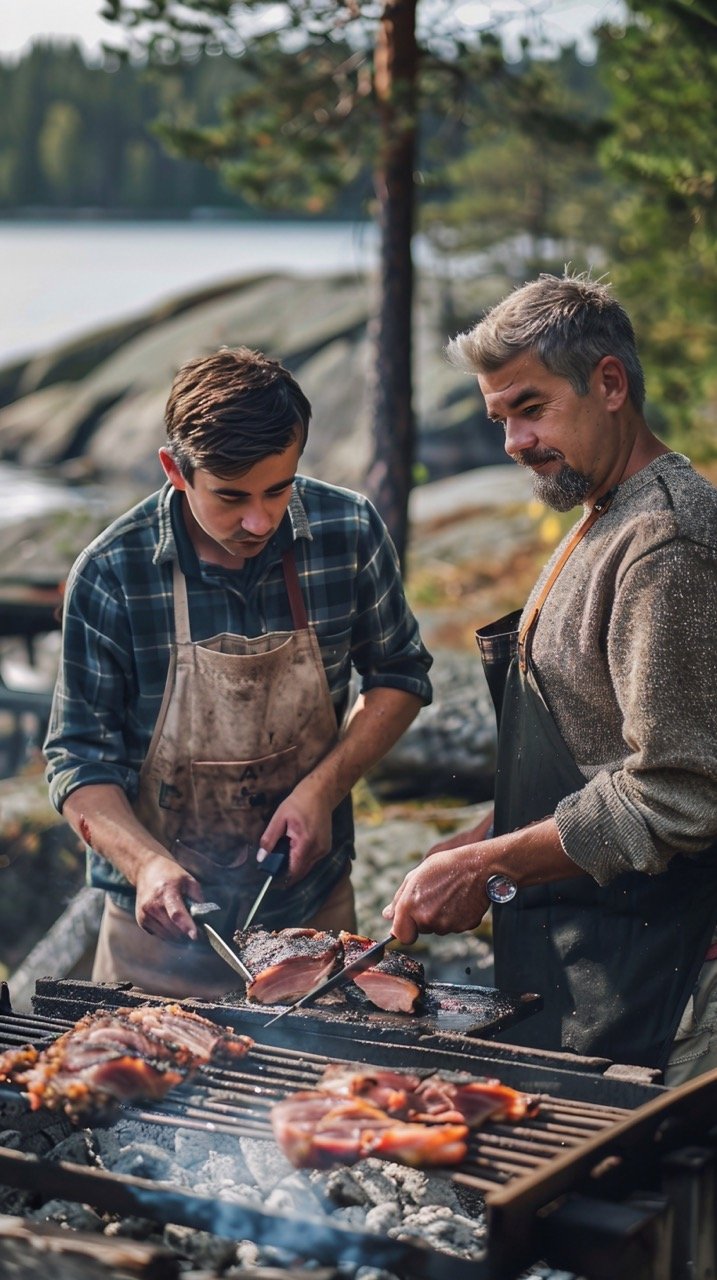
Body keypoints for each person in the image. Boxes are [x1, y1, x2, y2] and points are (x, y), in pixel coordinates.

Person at [384, 272, 717, 1083]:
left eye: (530, 409)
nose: (513, 444)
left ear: (608, 383)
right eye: (499, 418)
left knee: (639, 1200)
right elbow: (596, 744)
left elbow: (679, 792)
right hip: (601, 946)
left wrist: (487, 867)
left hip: (663, 977)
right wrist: (486, 836)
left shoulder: (663, 543)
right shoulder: (605, 511)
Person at [45, 346, 432, 999]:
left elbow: (398, 675)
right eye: (230, 497)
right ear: (175, 470)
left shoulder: (349, 530)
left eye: (277, 490)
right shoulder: (112, 572)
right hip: (156, 942)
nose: (258, 520)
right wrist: (146, 866)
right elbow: (78, 761)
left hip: (313, 927)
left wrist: (321, 791)